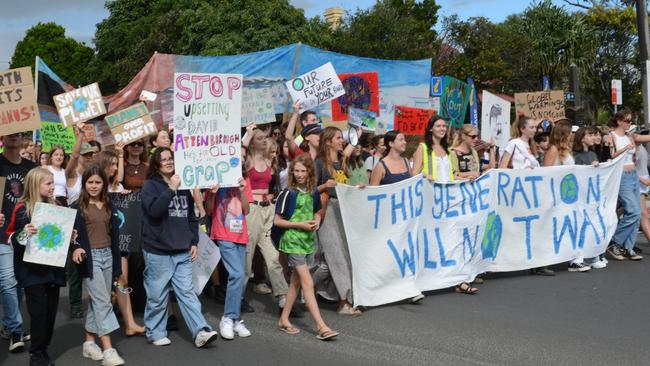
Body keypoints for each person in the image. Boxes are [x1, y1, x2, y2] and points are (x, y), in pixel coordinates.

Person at [140, 147, 218, 347]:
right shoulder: (150, 185)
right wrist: (171, 189)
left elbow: (191, 217)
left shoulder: (184, 185)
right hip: (158, 251)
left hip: (182, 250)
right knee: (157, 295)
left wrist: (193, 241)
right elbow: (155, 211)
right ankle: (155, 332)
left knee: (187, 292)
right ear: (156, 164)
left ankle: (201, 330)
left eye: (170, 159)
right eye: (164, 159)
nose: (168, 162)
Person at [6, 167, 84, 366]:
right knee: (39, 313)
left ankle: (43, 349)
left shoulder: (57, 205)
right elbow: (11, 238)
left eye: (53, 183)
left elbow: (59, 238)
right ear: (35, 184)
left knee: (50, 313)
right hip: (31, 272)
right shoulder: (22, 208)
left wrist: (71, 239)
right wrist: (25, 232)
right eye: (48, 184)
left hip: (53, 270)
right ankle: (36, 355)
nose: (52, 187)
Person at [275, 155, 339, 340]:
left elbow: (318, 210)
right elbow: (277, 221)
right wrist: (300, 225)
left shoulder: (313, 192)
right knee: (307, 283)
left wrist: (317, 219)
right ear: (292, 172)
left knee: (296, 282)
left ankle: (284, 319)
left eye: (303, 171)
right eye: (296, 170)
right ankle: (321, 326)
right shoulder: (288, 193)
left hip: (307, 241)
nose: (300, 174)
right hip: (293, 241)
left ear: (309, 172)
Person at [72, 165, 126, 365]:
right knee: (103, 301)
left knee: (98, 302)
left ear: (104, 183)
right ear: (84, 183)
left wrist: (118, 266)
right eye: (90, 182)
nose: (94, 186)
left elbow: (115, 236)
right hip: (90, 258)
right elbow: (70, 235)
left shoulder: (110, 204)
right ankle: (109, 349)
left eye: (98, 182)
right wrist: (75, 247)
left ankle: (89, 342)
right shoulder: (76, 207)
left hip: (108, 257)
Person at [96, 150, 146, 337]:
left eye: (117, 164)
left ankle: (130, 323)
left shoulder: (118, 187)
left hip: (120, 244)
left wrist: (125, 198)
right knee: (100, 289)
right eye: (113, 164)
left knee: (122, 283)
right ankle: (97, 332)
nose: (116, 168)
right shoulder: (95, 186)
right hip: (99, 244)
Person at [313, 126, 361, 314]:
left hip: (343, 212)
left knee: (342, 256)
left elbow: (344, 188)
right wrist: (325, 185)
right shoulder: (318, 164)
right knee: (336, 256)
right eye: (339, 138)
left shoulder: (341, 164)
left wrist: (356, 188)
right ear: (328, 142)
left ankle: (304, 285)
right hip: (327, 212)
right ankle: (344, 301)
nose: (342, 141)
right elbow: (309, 191)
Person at [499, 116, 554, 277]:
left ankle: (537, 263)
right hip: (518, 192)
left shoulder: (530, 146)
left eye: (534, 127)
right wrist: (521, 173)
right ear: (522, 128)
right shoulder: (514, 144)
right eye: (531, 127)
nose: (534, 130)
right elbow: (502, 167)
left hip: (531, 191)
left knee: (536, 226)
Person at [243, 128, 289, 313]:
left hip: (267, 209)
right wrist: (247, 134)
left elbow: (271, 184)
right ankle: (238, 297)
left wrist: (271, 196)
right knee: (248, 257)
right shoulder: (246, 161)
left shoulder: (269, 161)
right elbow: (239, 152)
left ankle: (283, 298)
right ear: (253, 141)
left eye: (265, 138)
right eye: (259, 138)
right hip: (251, 210)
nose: (264, 141)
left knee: (273, 256)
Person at [205, 177, 253, 340]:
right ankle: (228, 317)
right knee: (237, 274)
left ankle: (235, 318)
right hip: (223, 234)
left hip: (241, 235)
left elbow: (246, 210)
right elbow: (209, 210)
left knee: (238, 277)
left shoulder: (244, 180)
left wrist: (242, 191)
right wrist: (212, 194)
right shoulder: (214, 178)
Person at [0, 132, 34, 353]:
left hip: (25, 234)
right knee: (8, 280)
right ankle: (15, 329)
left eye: (18, 134)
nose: (13, 137)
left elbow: (39, 195)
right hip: (2, 234)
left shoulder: (31, 168)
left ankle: (7, 323)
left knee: (20, 282)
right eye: (9, 133)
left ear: (23, 139)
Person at [544, 120, 591, 272]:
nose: (572, 135)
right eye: (570, 132)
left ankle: (575, 259)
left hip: (569, 194)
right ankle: (560, 258)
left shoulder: (567, 150)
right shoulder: (553, 150)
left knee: (574, 225)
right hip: (558, 195)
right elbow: (546, 172)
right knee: (561, 227)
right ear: (563, 133)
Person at [606, 110, 643, 261]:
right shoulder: (611, 136)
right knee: (633, 211)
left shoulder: (629, 136)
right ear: (619, 121)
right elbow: (610, 156)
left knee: (637, 213)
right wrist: (624, 149)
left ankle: (628, 247)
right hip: (622, 176)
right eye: (627, 120)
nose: (629, 123)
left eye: (630, 120)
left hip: (633, 175)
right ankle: (614, 242)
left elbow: (634, 155)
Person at [572, 127, 607, 269]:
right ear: (582, 138)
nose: (593, 137)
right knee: (582, 226)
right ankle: (580, 256)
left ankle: (593, 256)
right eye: (590, 135)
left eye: (594, 135)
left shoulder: (592, 153)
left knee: (593, 226)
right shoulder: (577, 156)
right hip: (581, 197)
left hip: (592, 196)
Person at [411, 115, 455, 183]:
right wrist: (425, 176)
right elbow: (414, 174)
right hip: (430, 191)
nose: (442, 128)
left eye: (444, 126)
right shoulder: (423, 148)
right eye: (438, 126)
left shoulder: (447, 150)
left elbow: (449, 175)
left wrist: (467, 178)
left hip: (447, 192)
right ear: (431, 129)